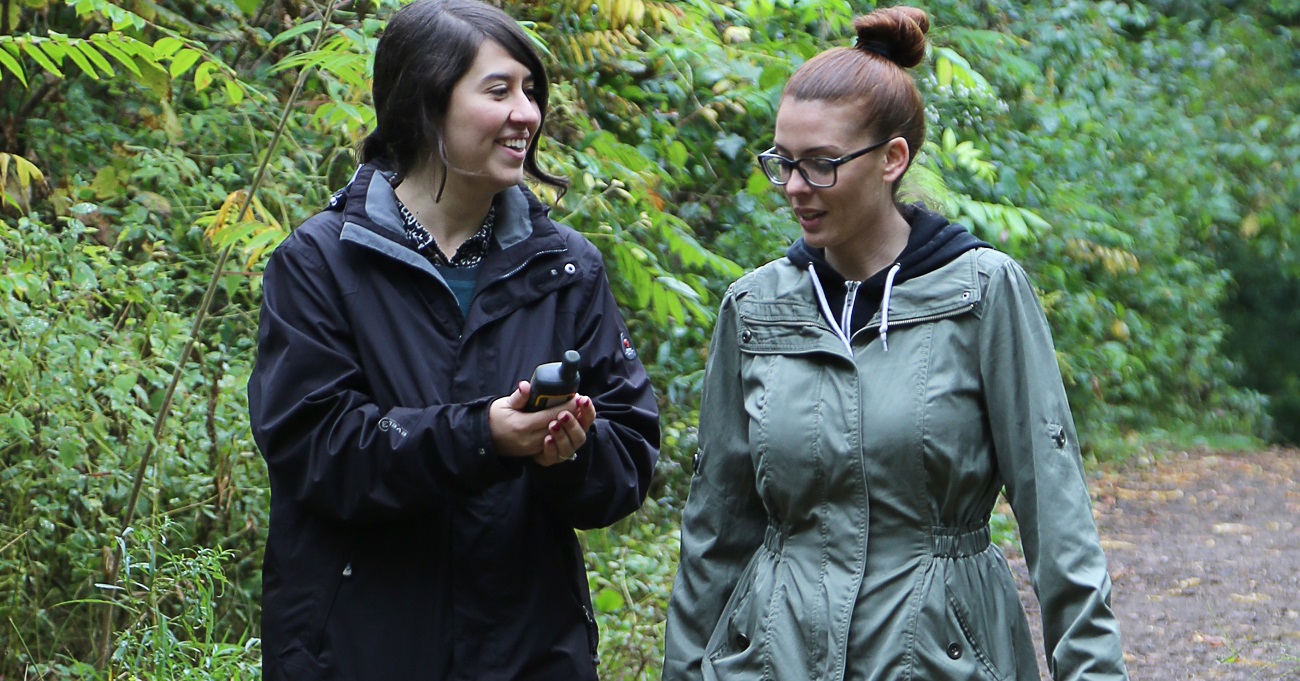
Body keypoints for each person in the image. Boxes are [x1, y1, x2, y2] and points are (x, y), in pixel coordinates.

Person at [662, 6, 1128, 680]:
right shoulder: (756, 307)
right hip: (773, 659)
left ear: (892, 159)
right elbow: (716, 527)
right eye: (784, 163)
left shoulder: (982, 293)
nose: (795, 187)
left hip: (943, 658)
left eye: (821, 165)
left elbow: (1057, 517)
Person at [246, 0, 660, 678]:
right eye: (498, 90)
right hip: (357, 652)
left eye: (530, 91)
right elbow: (315, 450)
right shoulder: (321, 261)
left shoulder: (566, 266)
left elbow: (630, 457)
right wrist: (482, 435)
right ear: (425, 100)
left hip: (528, 652)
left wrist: (571, 452)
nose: (525, 112)